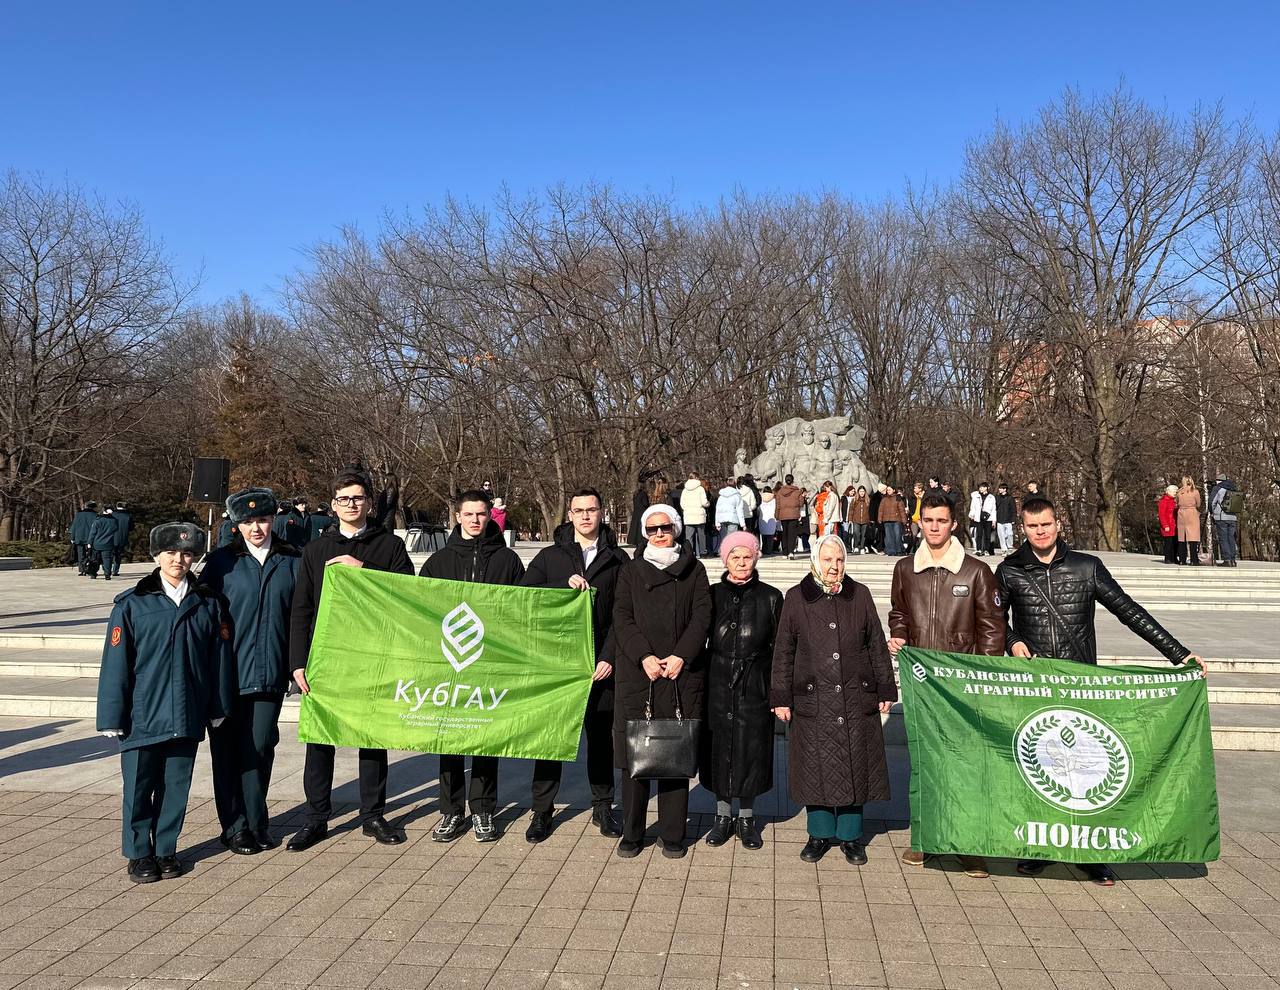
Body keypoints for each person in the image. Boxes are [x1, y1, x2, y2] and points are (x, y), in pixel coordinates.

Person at [996, 496, 1205, 886]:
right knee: (1039, 767)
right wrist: (1012, 641)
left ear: (1058, 524)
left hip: (1081, 684)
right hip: (1035, 685)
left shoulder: (1086, 567)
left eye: (1046, 525)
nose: (1040, 532)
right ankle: (1040, 848)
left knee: (1085, 773)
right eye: (1032, 526)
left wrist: (1178, 654)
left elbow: (1129, 611)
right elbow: (991, 620)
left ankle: (1091, 854)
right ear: (1022, 528)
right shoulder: (1009, 571)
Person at [96, 522, 233, 883]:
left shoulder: (207, 602)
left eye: (187, 554)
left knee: (176, 786)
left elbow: (218, 661)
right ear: (156, 556)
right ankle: (139, 853)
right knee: (139, 787)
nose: (178, 560)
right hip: (142, 713)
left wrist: (217, 707)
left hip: (186, 710)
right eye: (171, 553)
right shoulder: (132, 604)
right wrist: (111, 715)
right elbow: (116, 664)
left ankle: (165, 849)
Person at [287, 467, 415, 852]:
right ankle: (315, 818)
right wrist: (297, 662)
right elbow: (301, 609)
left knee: (371, 739)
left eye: (358, 498)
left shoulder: (389, 546)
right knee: (320, 740)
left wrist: (365, 570)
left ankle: (372, 815)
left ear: (369, 503)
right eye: (343, 499)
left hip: (372, 655)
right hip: (326, 658)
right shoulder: (314, 550)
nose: (351, 504)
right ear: (333, 505)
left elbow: (408, 594)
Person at [887, 492, 1004, 877]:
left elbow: (991, 629)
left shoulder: (975, 572)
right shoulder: (906, 568)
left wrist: (980, 678)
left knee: (965, 764)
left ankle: (969, 845)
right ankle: (925, 838)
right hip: (921, 683)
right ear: (920, 523)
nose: (934, 527)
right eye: (928, 521)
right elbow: (899, 611)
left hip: (961, 687)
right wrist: (900, 633)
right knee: (923, 763)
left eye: (941, 521)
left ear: (954, 524)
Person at [771, 534, 896, 864]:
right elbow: (784, 650)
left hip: (855, 696)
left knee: (855, 765)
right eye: (828, 560)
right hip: (813, 698)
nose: (834, 566)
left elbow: (876, 646)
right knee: (814, 767)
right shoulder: (797, 598)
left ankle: (852, 837)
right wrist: (781, 696)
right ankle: (819, 833)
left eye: (839, 560)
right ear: (816, 561)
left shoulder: (861, 595)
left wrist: (885, 688)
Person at [521, 487, 628, 842]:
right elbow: (525, 599)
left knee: (600, 740)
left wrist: (609, 657)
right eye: (579, 510)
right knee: (551, 740)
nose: (585, 516)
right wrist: (559, 587)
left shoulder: (617, 560)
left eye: (592, 509)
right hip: (558, 666)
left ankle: (603, 807)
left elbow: (623, 617)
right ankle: (541, 812)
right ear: (569, 515)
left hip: (599, 665)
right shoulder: (551, 557)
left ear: (602, 514)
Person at [419, 489, 525, 842]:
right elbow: (420, 609)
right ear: (458, 517)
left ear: (489, 517)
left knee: (483, 739)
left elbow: (524, 609)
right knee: (449, 740)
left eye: (481, 514)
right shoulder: (440, 561)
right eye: (469, 515)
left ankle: (483, 810)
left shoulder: (508, 560)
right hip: (450, 663)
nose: (476, 520)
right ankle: (451, 812)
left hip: (490, 662)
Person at [201, 487, 301, 856]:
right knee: (226, 752)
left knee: (260, 747)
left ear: (273, 519)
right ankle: (235, 826)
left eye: (261, 519)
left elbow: (303, 614)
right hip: (227, 674)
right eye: (247, 521)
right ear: (236, 525)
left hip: (270, 672)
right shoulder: (220, 563)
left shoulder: (292, 560)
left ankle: (258, 821)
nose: (256, 528)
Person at [612, 505, 711, 858]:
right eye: (651, 529)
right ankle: (632, 832)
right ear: (643, 532)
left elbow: (702, 616)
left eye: (665, 527)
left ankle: (673, 833)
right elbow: (621, 617)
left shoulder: (694, 570)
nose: (658, 534)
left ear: (677, 529)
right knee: (634, 757)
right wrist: (644, 656)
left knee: (673, 754)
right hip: (639, 673)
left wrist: (682, 654)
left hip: (679, 673)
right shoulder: (630, 571)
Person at [702, 532, 782, 851]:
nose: (741, 563)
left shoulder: (772, 597)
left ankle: (747, 818)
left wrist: (775, 690)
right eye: (735, 557)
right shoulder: (711, 595)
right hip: (718, 684)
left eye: (746, 556)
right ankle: (722, 817)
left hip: (755, 686)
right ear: (725, 560)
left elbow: (780, 650)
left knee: (751, 752)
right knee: (720, 751)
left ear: (756, 557)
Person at [1210, 474, 1240, 568]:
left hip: (1221, 517)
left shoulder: (1218, 488)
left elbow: (1212, 502)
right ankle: (1233, 560)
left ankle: (1227, 560)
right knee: (1231, 538)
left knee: (1224, 539)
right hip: (1233, 517)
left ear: (1218, 480)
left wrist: (1213, 513)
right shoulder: (1233, 488)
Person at [774, 475, 804, 559]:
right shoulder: (797, 491)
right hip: (793, 514)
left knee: (784, 534)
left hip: (783, 515)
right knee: (792, 534)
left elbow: (778, 505)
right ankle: (791, 552)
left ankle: (784, 553)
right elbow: (801, 503)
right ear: (792, 481)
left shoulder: (780, 492)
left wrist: (776, 515)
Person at [680, 474, 711, 557]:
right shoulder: (700, 489)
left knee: (689, 536)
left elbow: (682, 504)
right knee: (701, 535)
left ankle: (689, 553)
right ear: (697, 478)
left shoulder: (685, 490)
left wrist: (687, 509)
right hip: (699, 515)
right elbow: (704, 502)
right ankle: (703, 552)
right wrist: (708, 504)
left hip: (689, 515)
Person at [1176, 476, 1203, 565]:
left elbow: (1177, 502)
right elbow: (1198, 504)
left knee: (1182, 538)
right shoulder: (1195, 492)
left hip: (1181, 513)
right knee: (1193, 538)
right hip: (1192, 513)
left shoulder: (1179, 492)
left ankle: (1182, 559)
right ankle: (1194, 560)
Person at [715, 476, 745, 544]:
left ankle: (724, 552)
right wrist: (743, 524)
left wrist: (717, 523)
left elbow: (718, 510)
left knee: (724, 539)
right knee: (732, 539)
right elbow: (739, 510)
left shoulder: (721, 496)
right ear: (735, 484)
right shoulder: (737, 496)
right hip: (733, 518)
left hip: (722, 519)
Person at [968, 483, 996, 556]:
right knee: (979, 534)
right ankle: (979, 549)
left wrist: (994, 520)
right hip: (978, 517)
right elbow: (972, 507)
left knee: (987, 535)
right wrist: (972, 515)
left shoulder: (991, 497)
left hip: (988, 517)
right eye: (980, 487)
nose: (980, 489)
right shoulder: (976, 496)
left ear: (986, 488)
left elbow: (993, 509)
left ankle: (986, 549)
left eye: (982, 487)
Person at [70, 501, 98, 575]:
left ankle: (82, 570)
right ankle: (89, 568)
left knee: (80, 554)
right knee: (91, 554)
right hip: (91, 537)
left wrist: (72, 537)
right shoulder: (95, 515)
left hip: (79, 536)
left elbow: (74, 526)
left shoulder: (78, 515)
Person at [878, 485, 906, 556]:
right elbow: (881, 509)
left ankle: (899, 550)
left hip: (896, 520)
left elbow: (902, 510)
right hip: (887, 520)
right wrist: (880, 518)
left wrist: (904, 520)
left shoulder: (898, 498)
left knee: (897, 535)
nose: (888, 491)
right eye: (887, 490)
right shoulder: (884, 499)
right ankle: (891, 551)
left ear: (894, 490)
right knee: (889, 536)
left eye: (890, 490)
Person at [844, 486, 869, 554]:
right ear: (858, 492)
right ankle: (856, 547)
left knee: (864, 535)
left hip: (865, 520)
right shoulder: (855, 500)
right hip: (856, 520)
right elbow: (851, 510)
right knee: (856, 534)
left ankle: (862, 547)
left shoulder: (867, 500)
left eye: (863, 491)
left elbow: (870, 511)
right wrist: (850, 519)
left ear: (865, 492)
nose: (862, 493)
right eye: (860, 491)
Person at [1158, 485, 1179, 565]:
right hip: (1168, 525)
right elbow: (1161, 515)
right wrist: (1165, 525)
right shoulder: (1163, 501)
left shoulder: (1174, 501)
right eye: (1174, 492)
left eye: (1176, 492)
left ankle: (1174, 558)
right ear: (1168, 491)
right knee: (1168, 543)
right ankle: (1167, 558)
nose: (1175, 493)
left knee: (1175, 543)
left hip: (1174, 525)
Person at [994, 483, 1016, 554]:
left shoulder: (1010, 498)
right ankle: (1004, 549)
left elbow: (1013, 509)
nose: (999, 489)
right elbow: (995, 508)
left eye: (1001, 488)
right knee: (1001, 535)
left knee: (1009, 534)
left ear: (1005, 489)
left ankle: (1009, 546)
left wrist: (1013, 519)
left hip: (1008, 519)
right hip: (999, 519)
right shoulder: (997, 497)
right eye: (999, 488)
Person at [112, 502, 133, 576]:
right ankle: (115, 570)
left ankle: (107, 569)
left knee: (108, 554)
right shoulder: (128, 516)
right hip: (122, 537)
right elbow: (131, 528)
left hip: (111, 537)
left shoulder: (112, 515)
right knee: (118, 554)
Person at [757, 487, 778, 555]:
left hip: (762, 519)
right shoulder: (774, 500)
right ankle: (769, 550)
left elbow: (758, 509)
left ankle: (764, 549)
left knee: (764, 536)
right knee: (770, 536)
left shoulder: (760, 499)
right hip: (771, 519)